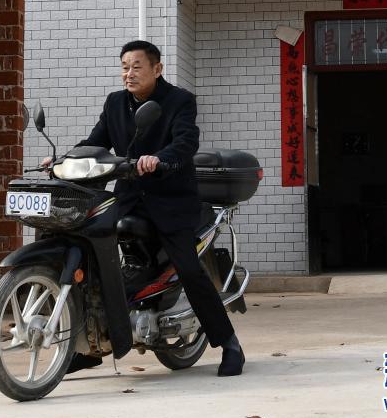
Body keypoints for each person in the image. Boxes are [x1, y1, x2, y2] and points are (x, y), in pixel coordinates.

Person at [46, 39, 244, 377]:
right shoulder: (115, 103)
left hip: (171, 201)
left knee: (188, 269)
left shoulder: (179, 100)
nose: (129, 73)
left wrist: (159, 159)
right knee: (90, 251)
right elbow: (95, 143)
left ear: (157, 68)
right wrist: (61, 160)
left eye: (136, 67)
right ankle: (92, 345)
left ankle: (229, 344)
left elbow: (185, 142)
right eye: (124, 67)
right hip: (128, 198)